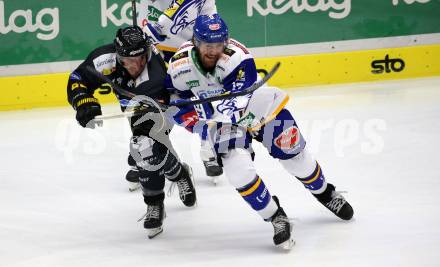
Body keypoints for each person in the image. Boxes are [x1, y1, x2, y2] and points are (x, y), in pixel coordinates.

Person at [165, 14, 354, 249]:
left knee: (298, 159)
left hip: (259, 110)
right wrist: (197, 124)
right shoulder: (179, 67)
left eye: (218, 45)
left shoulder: (238, 58)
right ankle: (277, 217)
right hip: (222, 124)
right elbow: (175, 102)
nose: (213, 51)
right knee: (239, 172)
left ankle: (325, 193)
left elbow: (240, 102)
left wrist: (212, 120)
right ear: (195, 42)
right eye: (207, 45)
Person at [66, 25, 196, 238]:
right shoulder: (104, 59)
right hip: (133, 108)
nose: (136, 65)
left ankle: (155, 204)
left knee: (144, 148)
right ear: (117, 55)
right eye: (128, 61)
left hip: (159, 109)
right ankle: (179, 173)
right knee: (151, 153)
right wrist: (83, 100)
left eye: (140, 59)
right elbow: (77, 78)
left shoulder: (156, 73)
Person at [140, 0, 223, 181]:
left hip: (195, 41)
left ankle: (208, 146)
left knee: (199, 97)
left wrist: (158, 27)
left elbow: (186, 5)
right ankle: (146, 154)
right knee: (156, 97)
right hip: (159, 44)